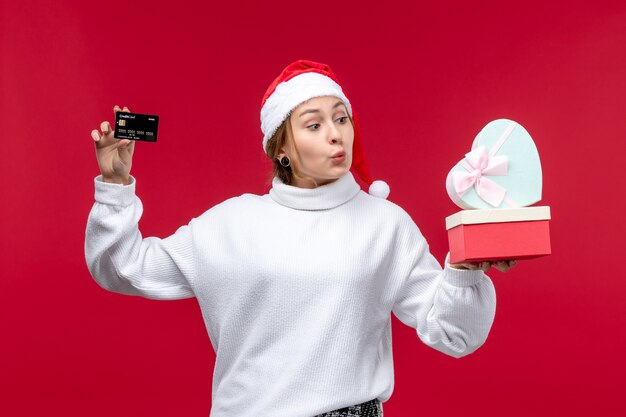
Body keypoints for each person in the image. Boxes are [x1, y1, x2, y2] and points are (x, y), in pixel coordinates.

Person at [85, 59, 516, 417]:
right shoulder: (230, 225)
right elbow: (124, 268)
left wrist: (463, 271)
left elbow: (454, 333)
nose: (336, 133)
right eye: (314, 124)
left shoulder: (384, 224)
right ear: (281, 149)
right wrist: (115, 188)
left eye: (341, 118)